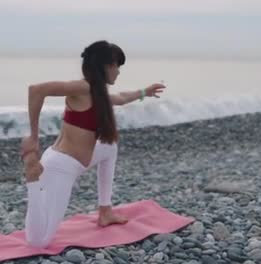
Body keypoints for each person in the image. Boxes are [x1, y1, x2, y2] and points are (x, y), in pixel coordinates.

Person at [20, 40, 165, 248]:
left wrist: (145, 92)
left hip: (77, 161)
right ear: (107, 66)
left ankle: (105, 211)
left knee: (109, 147)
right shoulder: (82, 87)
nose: (118, 72)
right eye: (117, 66)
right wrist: (34, 136)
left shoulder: (97, 93)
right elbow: (36, 90)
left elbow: (122, 98)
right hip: (60, 167)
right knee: (38, 242)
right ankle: (32, 178)